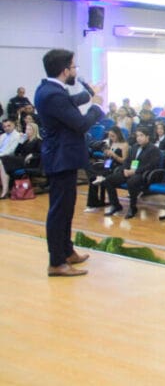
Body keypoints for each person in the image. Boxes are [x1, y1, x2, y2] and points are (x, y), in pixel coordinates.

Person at [34, 48, 104, 276]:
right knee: (59, 211)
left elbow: (69, 103)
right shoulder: (53, 94)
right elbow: (81, 124)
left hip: (64, 157)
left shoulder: (49, 89)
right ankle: (56, 262)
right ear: (65, 71)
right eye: (74, 67)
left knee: (66, 208)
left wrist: (89, 93)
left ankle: (66, 251)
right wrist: (97, 106)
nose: (75, 71)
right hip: (61, 157)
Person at [101, 127, 162, 219]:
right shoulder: (134, 147)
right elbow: (127, 161)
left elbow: (151, 166)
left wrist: (134, 171)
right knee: (108, 180)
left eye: (141, 135)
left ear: (147, 137)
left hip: (143, 174)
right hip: (130, 171)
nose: (139, 138)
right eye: (137, 136)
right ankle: (115, 205)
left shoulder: (154, 149)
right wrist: (124, 170)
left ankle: (132, 208)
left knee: (131, 182)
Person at [84, 126, 129, 212]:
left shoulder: (124, 145)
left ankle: (100, 176)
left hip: (117, 166)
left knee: (98, 175)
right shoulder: (112, 143)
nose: (111, 138)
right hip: (109, 164)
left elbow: (124, 161)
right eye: (110, 136)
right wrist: (106, 155)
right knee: (92, 175)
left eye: (113, 136)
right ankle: (93, 203)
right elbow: (108, 160)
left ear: (118, 135)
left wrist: (114, 155)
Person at [0, 122, 42, 199]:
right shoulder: (25, 141)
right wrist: (21, 141)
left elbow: (42, 154)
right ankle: (5, 189)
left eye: (29, 129)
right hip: (22, 159)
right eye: (26, 129)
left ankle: (5, 190)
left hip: (31, 162)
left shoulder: (38, 141)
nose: (27, 131)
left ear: (34, 130)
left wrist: (33, 155)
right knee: (3, 161)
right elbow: (17, 152)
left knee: (4, 159)